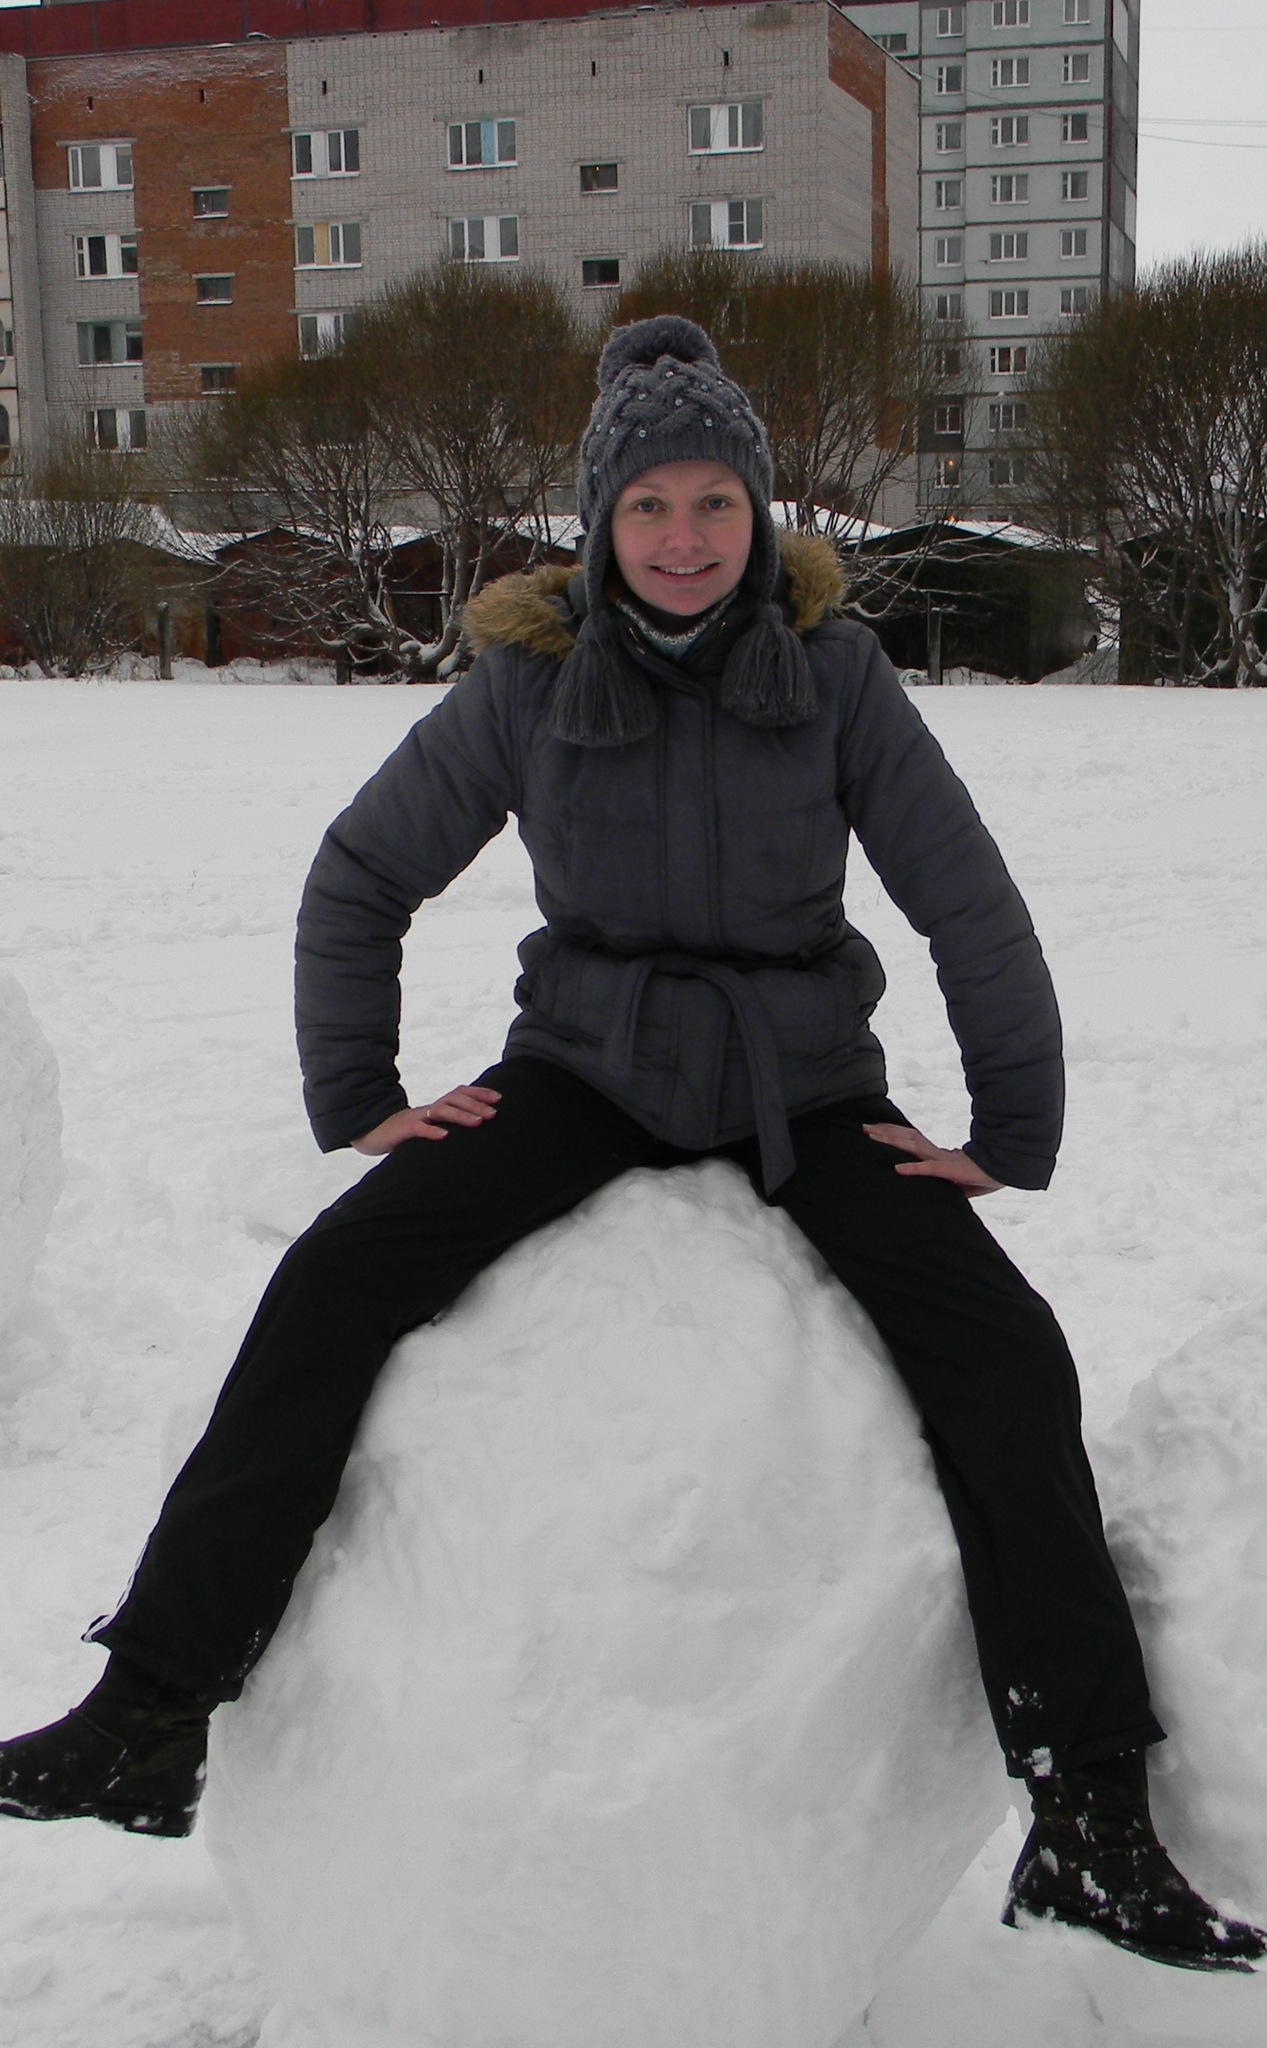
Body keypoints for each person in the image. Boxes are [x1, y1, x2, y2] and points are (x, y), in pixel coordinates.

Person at [0, 316, 1259, 1974]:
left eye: (714, 503)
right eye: (648, 505)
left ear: (759, 514)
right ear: (599, 523)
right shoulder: (529, 680)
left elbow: (969, 901)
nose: (682, 538)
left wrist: (1010, 1128)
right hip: (586, 1066)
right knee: (336, 1281)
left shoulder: (834, 673)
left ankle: (1091, 1815)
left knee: (1006, 1356)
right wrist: (361, 1095)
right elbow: (361, 875)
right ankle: (152, 1709)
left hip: (802, 1081)